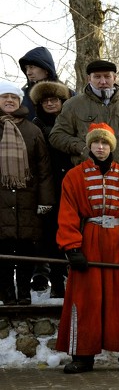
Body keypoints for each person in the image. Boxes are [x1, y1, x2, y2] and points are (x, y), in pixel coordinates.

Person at [55, 123, 119, 373]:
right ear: (89, 145)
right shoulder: (74, 176)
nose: (100, 147)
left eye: (104, 143)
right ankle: (83, 355)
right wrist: (72, 247)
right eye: (96, 143)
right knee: (86, 297)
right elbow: (67, 213)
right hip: (89, 241)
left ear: (111, 146)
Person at [49, 60, 119, 201]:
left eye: (107, 76)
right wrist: (83, 148)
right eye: (97, 77)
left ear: (114, 78)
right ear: (88, 78)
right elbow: (56, 136)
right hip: (88, 180)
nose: (102, 81)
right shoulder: (73, 105)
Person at [0, 80, 53, 304]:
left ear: (20, 102)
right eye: (5, 97)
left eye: (14, 98)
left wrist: (45, 201)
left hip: (28, 202)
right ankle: (6, 295)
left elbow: (44, 170)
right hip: (1, 203)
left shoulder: (33, 130)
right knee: (2, 253)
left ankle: (24, 294)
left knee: (25, 253)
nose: (10, 101)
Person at [28, 79, 73, 298]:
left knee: (74, 234)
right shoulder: (35, 125)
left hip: (72, 186)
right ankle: (56, 283)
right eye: (46, 100)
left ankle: (72, 280)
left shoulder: (70, 123)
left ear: (62, 101)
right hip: (48, 187)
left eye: (54, 99)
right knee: (52, 237)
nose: (50, 103)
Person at [19, 46, 68, 117]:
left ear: (46, 69)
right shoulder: (21, 96)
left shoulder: (68, 94)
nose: (28, 72)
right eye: (26, 68)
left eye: (32, 67)